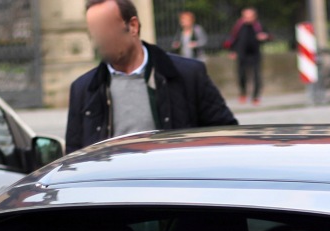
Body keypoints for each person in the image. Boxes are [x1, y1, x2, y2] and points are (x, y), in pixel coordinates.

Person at [65, 0, 236, 153]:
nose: (100, 41)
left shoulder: (187, 75)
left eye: (107, 31)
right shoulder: (84, 89)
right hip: (112, 186)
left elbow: (226, 136)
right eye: (94, 34)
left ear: (133, 26)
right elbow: (73, 160)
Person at [223, 7, 269, 105]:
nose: (248, 19)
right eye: (246, 16)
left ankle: (256, 96)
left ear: (255, 17)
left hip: (255, 54)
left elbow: (269, 36)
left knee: (257, 76)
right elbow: (232, 39)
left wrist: (265, 37)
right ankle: (243, 93)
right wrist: (232, 51)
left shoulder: (258, 26)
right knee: (241, 75)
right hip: (242, 54)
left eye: (250, 16)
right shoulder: (238, 26)